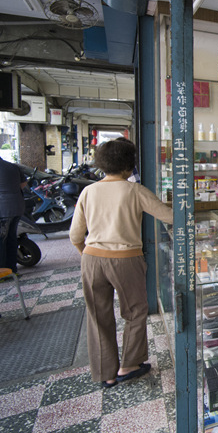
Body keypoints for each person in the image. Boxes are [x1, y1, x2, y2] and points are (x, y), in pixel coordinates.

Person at [69, 138, 173, 388]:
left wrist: (87, 254)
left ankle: (107, 373)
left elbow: (75, 235)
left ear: (102, 164)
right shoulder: (134, 190)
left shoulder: (88, 191)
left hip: (92, 258)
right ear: (129, 166)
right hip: (126, 260)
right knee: (135, 312)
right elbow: (169, 216)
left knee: (98, 315)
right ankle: (130, 364)